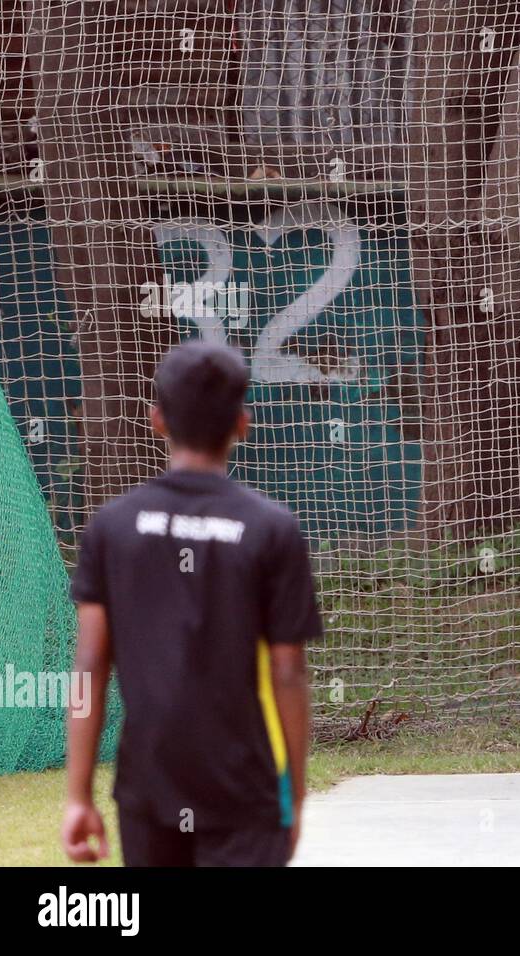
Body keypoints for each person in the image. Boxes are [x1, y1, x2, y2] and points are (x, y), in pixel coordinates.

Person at [62, 340, 323, 864]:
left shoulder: (112, 527)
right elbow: (289, 670)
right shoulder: (273, 529)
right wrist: (292, 796)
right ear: (241, 423)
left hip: (147, 791)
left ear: (157, 420)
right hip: (245, 793)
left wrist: (77, 797)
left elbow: (90, 666)